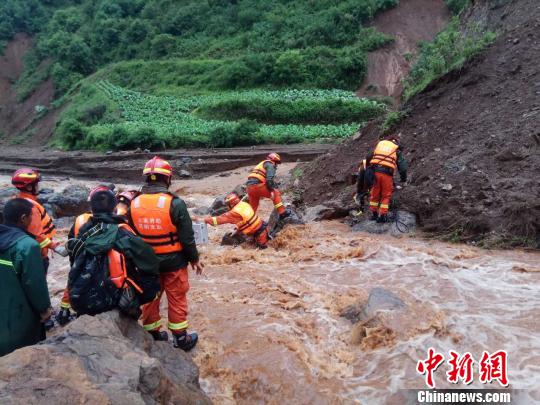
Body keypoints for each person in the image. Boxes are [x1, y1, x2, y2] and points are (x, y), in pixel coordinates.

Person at [129, 156, 204, 351]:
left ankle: (153, 334)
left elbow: (129, 234)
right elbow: (187, 238)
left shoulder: (133, 203)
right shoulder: (175, 204)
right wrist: (194, 259)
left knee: (151, 297)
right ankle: (180, 338)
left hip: (146, 263)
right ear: (167, 179)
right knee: (177, 298)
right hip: (174, 262)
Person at [67, 186, 160, 318]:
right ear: (114, 207)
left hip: (81, 297)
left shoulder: (83, 231)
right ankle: (130, 303)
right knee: (151, 277)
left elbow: (73, 261)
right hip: (112, 299)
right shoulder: (121, 231)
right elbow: (149, 261)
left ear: (91, 208)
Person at [0, 199, 52, 356]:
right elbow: (34, 283)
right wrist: (44, 309)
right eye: (31, 216)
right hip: (20, 317)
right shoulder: (27, 246)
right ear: (23, 218)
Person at [11, 168, 61, 272]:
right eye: (36, 184)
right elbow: (36, 236)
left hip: (21, 254)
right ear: (29, 187)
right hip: (35, 258)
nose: (38, 187)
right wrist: (54, 247)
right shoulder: (31, 207)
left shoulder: (16, 200)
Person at [203, 193, 269, 249]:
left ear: (231, 204)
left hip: (259, 234)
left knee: (263, 251)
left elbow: (218, 220)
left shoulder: (235, 212)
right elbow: (246, 220)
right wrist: (237, 229)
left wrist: (206, 220)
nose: (227, 207)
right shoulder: (243, 204)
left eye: (228, 205)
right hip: (262, 228)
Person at [366, 136, 408, 223]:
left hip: (375, 172)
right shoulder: (396, 149)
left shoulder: (380, 145)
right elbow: (403, 168)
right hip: (386, 174)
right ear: (396, 142)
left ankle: (374, 214)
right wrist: (403, 179)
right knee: (386, 195)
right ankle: (382, 216)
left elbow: (369, 157)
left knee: (375, 193)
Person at [246, 153, 290, 219]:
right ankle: (282, 212)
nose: (276, 165)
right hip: (258, 186)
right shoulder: (270, 165)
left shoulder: (262, 164)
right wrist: (271, 189)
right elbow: (269, 179)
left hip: (249, 188)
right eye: (277, 163)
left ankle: (248, 220)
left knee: (253, 207)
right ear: (274, 161)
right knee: (276, 193)